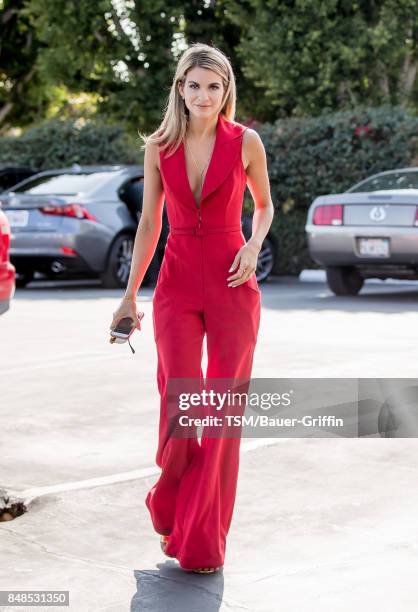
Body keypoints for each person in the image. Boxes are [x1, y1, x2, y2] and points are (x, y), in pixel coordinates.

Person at [109, 42, 274, 573]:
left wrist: (252, 245)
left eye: (214, 86)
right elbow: (149, 225)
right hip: (177, 284)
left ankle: (202, 543)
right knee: (179, 405)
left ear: (226, 92)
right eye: (194, 84)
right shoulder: (159, 145)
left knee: (223, 416)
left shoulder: (246, 142)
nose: (204, 95)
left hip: (233, 282)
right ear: (180, 88)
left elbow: (265, 206)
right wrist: (131, 294)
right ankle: (170, 505)